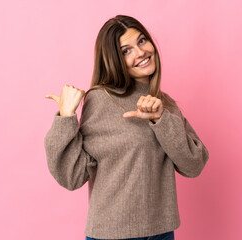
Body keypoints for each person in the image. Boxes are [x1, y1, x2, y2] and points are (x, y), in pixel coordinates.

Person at [44, 15, 209, 240]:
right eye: (126, 51)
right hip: (112, 235)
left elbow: (194, 165)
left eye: (142, 41)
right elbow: (72, 177)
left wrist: (161, 119)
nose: (140, 52)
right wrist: (66, 117)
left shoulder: (164, 103)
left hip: (161, 232)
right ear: (114, 60)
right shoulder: (101, 99)